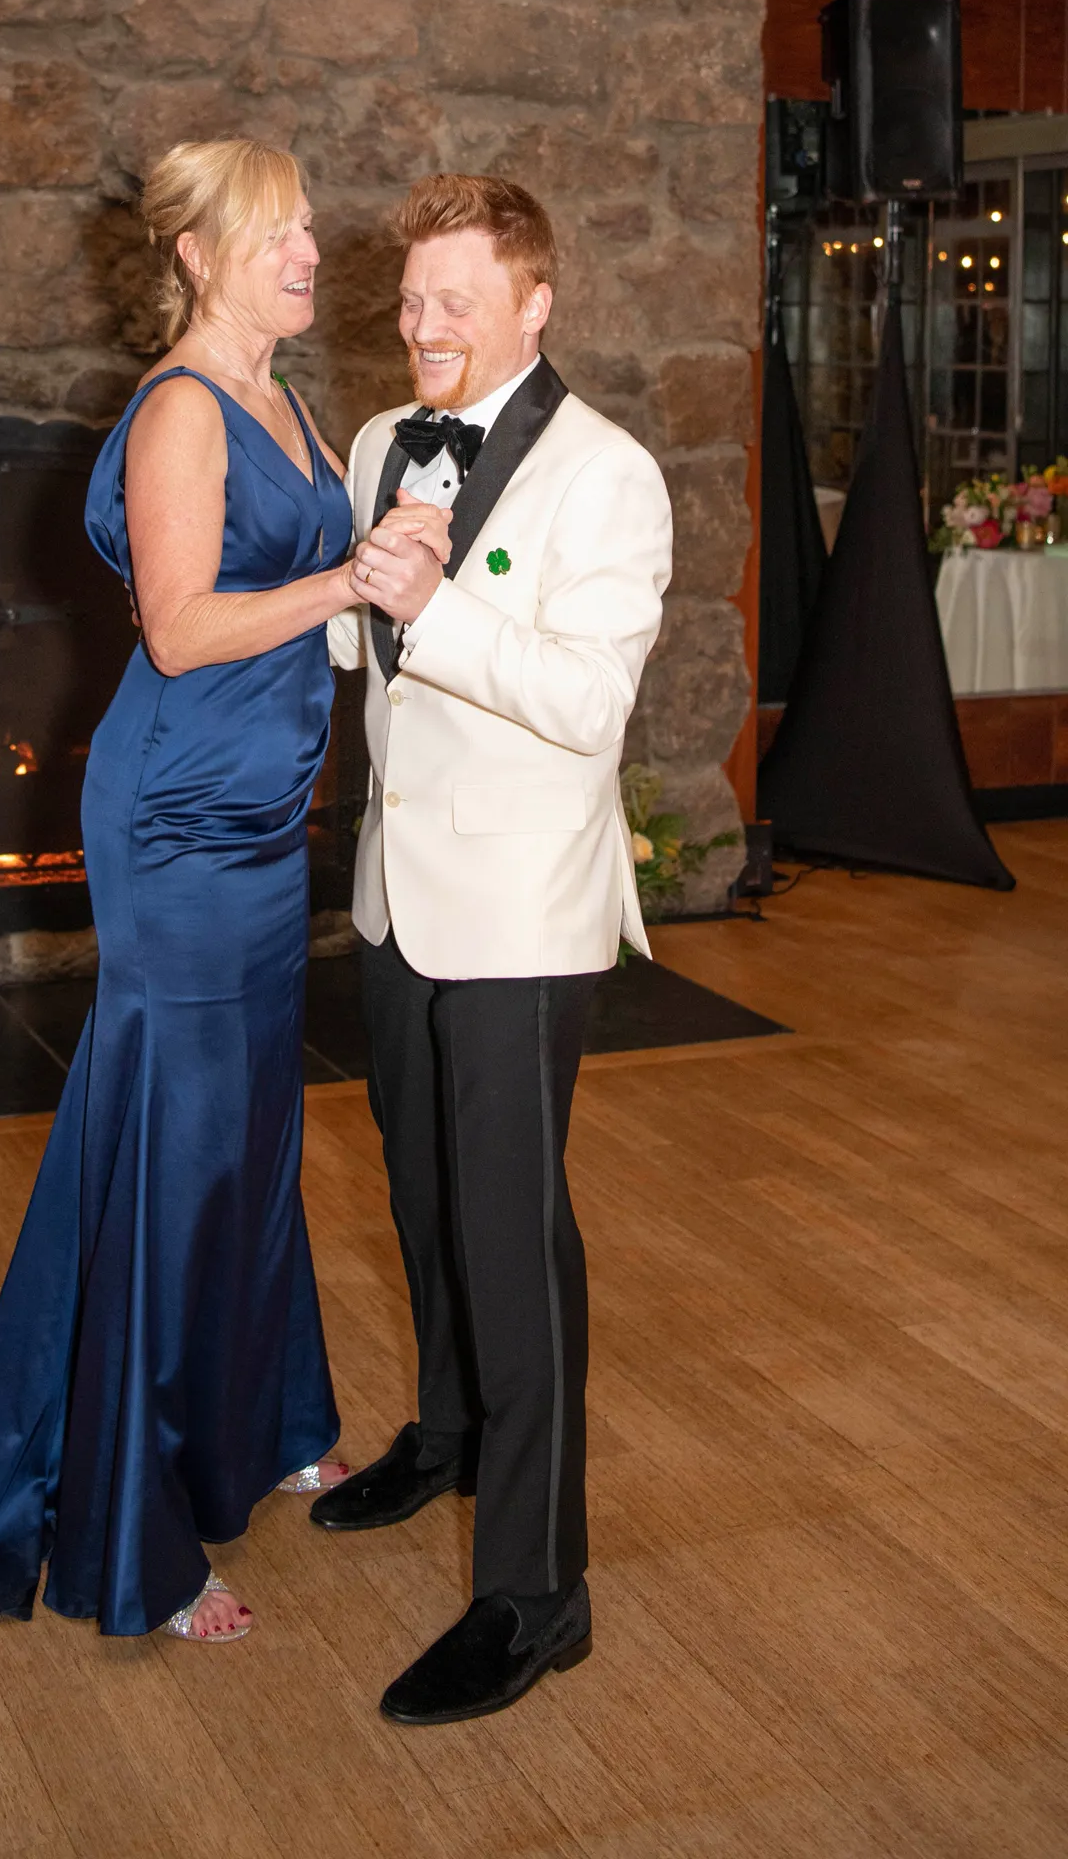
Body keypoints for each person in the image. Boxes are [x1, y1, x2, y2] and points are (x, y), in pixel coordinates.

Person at [0, 140, 447, 1644]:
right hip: (180, 822)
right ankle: (134, 1531)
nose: (310, 252)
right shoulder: (184, 407)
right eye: (279, 233)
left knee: (253, 1133)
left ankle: (266, 1422)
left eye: (310, 227)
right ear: (198, 256)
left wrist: (394, 546)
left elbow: (310, 584)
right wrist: (349, 582)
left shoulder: (284, 399)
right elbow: (184, 629)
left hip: (261, 819)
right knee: (180, 1148)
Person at [319, 173, 673, 1724]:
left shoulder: (611, 476)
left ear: (535, 302)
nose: (424, 326)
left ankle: (538, 1593)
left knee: (514, 1239)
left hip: (522, 910)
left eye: (456, 300)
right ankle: (449, 1432)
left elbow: (590, 706)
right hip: (399, 893)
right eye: (411, 299)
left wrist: (439, 603)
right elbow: (363, 650)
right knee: (421, 1194)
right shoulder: (378, 444)